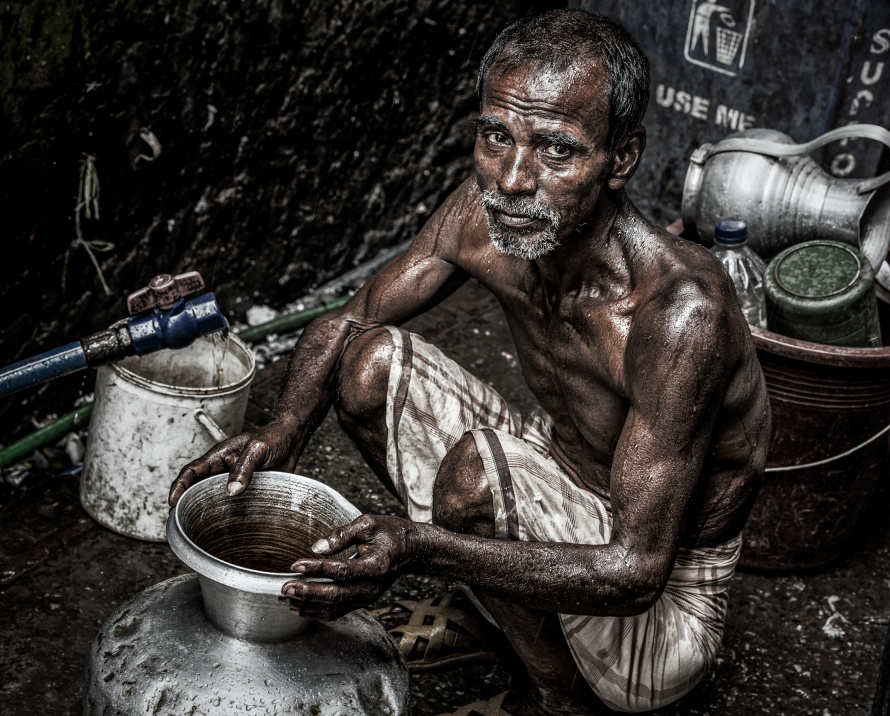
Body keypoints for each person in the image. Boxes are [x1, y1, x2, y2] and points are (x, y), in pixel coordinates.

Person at [170, 9, 770, 715]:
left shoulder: (677, 313)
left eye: (556, 150)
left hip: (660, 609)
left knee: (474, 479)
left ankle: (556, 696)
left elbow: (636, 571)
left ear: (623, 158)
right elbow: (351, 317)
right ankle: (506, 617)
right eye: (496, 136)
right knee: (363, 364)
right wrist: (283, 429)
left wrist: (419, 548)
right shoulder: (489, 210)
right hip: (566, 470)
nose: (514, 178)